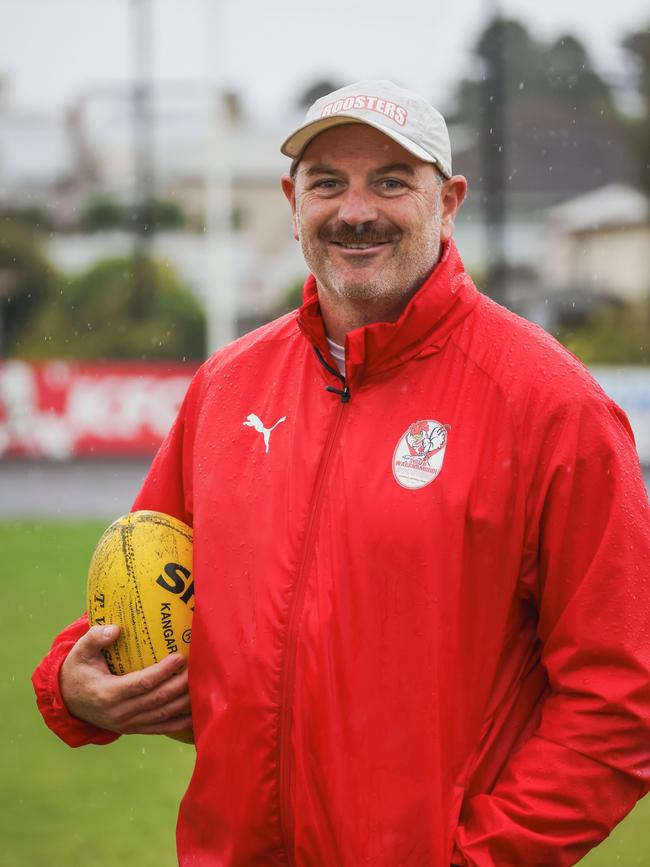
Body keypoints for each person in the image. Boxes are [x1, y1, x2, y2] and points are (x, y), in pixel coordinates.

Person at [33, 80, 650, 867]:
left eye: (391, 180)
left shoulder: (552, 406)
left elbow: (621, 697)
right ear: (293, 202)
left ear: (449, 200)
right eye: (328, 181)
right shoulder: (227, 389)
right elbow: (138, 574)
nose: (355, 209)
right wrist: (72, 686)